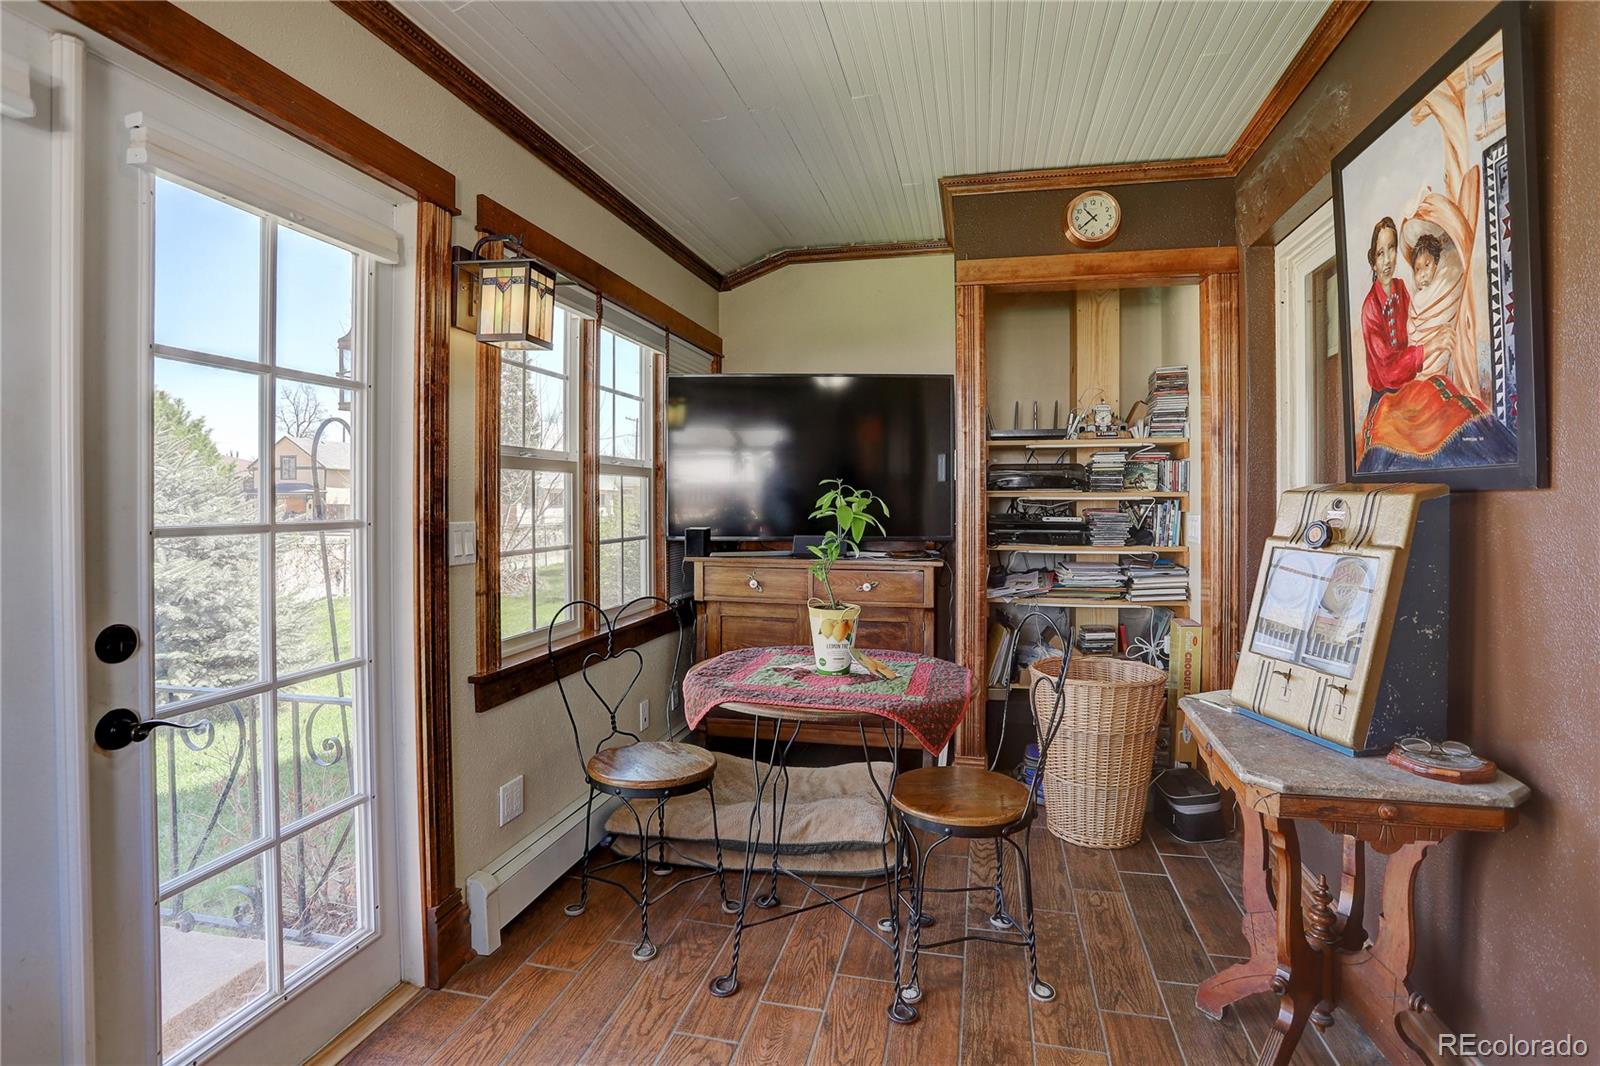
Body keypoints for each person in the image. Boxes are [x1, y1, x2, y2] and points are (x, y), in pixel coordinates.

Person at [1355, 218, 1515, 472]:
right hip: (1387, 396)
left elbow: (1418, 326)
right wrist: (1430, 348)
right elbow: (1387, 372)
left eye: (1392, 248)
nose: (1387, 260)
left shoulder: (1401, 290)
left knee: (1452, 404)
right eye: (1380, 253)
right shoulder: (1370, 308)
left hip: (1413, 385)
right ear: (1373, 260)